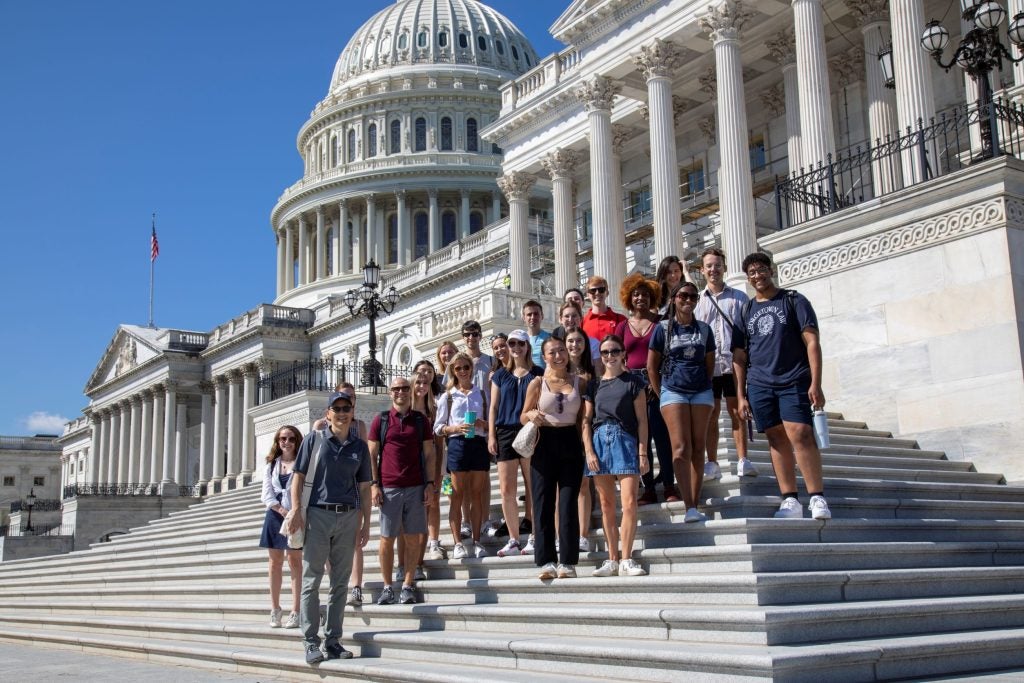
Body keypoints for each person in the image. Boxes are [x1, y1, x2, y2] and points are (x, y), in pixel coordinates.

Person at [732, 252, 831, 520]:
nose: (757, 275)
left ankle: (817, 496)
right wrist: (740, 395)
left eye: (762, 269)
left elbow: (812, 342)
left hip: (794, 378)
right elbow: (739, 357)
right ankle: (790, 499)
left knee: (800, 433)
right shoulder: (746, 310)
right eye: (752, 272)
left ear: (771, 270)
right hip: (760, 383)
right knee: (776, 439)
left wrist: (816, 382)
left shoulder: (794, 300)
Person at [287, 390, 371, 665]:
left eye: (347, 408)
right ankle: (310, 640)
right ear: (328, 414)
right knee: (312, 579)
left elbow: (364, 487)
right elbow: (297, 477)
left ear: (352, 412)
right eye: (337, 408)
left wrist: (366, 521)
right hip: (318, 514)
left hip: (347, 516)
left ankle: (333, 639)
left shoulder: (359, 447)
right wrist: (297, 510)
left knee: (340, 582)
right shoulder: (314, 440)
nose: (342, 412)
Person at [647, 281, 716, 524]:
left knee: (699, 447)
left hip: (700, 391)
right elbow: (651, 366)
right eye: (684, 296)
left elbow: (709, 364)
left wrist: (702, 384)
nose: (688, 301)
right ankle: (688, 503)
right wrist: (662, 391)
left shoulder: (705, 330)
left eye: (693, 297)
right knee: (680, 448)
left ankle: (694, 503)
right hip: (673, 391)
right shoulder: (662, 328)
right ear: (674, 299)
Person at [521, 336, 588, 580]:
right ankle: (546, 560)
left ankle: (568, 561)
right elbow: (522, 415)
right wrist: (531, 415)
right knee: (542, 503)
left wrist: (586, 447)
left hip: (570, 441)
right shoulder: (537, 383)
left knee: (569, 503)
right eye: (552, 352)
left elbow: (583, 418)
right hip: (544, 442)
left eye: (562, 350)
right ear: (545, 356)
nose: (558, 355)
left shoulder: (580, 382)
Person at [583, 335, 649, 577]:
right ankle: (612, 558)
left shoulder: (634, 381)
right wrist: (589, 450)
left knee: (629, 502)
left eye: (614, 351)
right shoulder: (594, 385)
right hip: (600, 441)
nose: (609, 356)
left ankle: (626, 558)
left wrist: (643, 452)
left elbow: (642, 420)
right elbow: (586, 420)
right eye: (605, 352)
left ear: (623, 353)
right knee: (606, 505)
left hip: (625, 440)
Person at [368, 377, 437, 606]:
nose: (401, 392)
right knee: (387, 538)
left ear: (411, 392)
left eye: (404, 388)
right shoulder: (382, 420)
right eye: (396, 389)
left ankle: (407, 584)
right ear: (390, 393)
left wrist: (430, 483)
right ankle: (388, 586)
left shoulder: (420, 420)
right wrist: (374, 484)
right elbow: (371, 454)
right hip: (389, 487)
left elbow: (429, 454)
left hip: (416, 485)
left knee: (413, 537)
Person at [694, 248, 758, 480]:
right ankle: (712, 462)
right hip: (709, 367)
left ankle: (743, 459)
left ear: (724, 267)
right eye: (709, 265)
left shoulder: (739, 298)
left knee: (737, 411)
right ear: (702, 270)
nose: (713, 269)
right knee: (711, 415)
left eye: (717, 265)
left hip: (734, 365)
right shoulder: (698, 301)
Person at [613, 273, 677, 505]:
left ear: (653, 298)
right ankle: (648, 486)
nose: (640, 298)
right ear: (629, 298)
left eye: (645, 295)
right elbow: (617, 357)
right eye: (636, 294)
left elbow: (669, 353)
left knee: (663, 437)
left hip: (658, 384)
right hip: (633, 387)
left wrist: (656, 383)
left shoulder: (661, 322)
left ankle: (669, 484)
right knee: (643, 439)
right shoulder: (622, 326)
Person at [312, 381, 369, 607]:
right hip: (326, 491)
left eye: (351, 398)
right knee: (328, 545)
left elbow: (364, 456)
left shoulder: (359, 426)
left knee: (355, 541)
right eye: (342, 398)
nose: (347, 403)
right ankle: (337, 582)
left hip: (352, 487)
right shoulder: (319, 426)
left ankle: (355, 586)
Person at [488, 329, 542, 557]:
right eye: (512, 344)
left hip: (529, 431)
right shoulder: (499, 375)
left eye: (521, 343)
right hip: (505, 432)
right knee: (506, 489)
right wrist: (491, 434)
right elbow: (493, 406)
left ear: (527, 346)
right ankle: (513, 538)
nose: (516, 348)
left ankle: (534, 536)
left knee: (533, 486)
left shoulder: (538, 373)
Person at [433, 352, 490, 558]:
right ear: (453, 371)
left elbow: (491, 423)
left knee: (477, 495)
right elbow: (438, 427)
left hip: (478, 445)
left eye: (466, 367)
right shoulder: (447, 397)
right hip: (456, 444)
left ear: (471, 369)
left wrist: (482, 425)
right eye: (458, 368)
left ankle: (476, 541)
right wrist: (456, 427)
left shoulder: (482, 394)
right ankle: (458, 543)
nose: (463, 371)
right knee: (456, 495)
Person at [260, 424, 304, 629]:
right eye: (283, 439)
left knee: (294, 560)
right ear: (277, 442)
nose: (287, 442)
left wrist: (294, 513)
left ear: (297, 441)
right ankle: (275, 608)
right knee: (274, 562)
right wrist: (283, 512)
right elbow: (266, 494)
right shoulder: (271, 465)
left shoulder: (303, 463)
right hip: (276, 515)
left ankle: (296, 610)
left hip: (295, 514)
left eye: (291, 439)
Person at [563, 326, 600, 552]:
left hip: (586, 429)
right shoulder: (557, 371)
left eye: (578, 341)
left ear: (585, 345)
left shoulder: (592, 370)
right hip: (563, 431)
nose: (574, 345)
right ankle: (564, 533)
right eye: (570, 341)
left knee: (584, 483)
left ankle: (583, 535)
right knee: (565, 486)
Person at [412, 365, 446, 563]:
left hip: (431, 462)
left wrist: (438, 472)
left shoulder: (433, 408)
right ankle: (414, 549)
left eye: (425, 383)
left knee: (433, 503)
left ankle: (434, 542)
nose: (422, 386)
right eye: (418, 382)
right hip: (411, 464)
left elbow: (439, 444)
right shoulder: (405, 408)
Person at [582, 275, 626, 342]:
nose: (597, 293)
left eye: (601, 290)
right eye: (593, 290)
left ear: (607, 293)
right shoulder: (582, 322)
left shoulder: (621, 320)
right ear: (588, 295)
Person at [522, 299, 551, 369]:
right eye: (529, 314)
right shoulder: (519, 340)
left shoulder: (550, 338)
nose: (533, 317)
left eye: (536, 314)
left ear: (542, 316)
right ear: (523, 318)